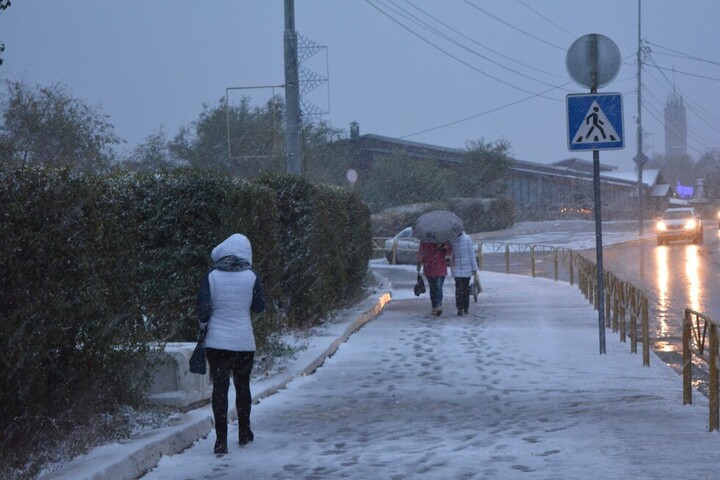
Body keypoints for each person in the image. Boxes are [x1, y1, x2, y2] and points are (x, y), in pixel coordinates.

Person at [197, 233, 265, 454]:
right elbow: (259, 306)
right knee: (242, 387)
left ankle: (221, 441)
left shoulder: (211, 276)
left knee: (219, 389)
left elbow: (204, 310)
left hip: (217, 343)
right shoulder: (252, 276)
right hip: (244, 341)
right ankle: (244, 432)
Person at [417, 241, 452, 316]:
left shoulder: (443, 239)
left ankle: (438, 306)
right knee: (433, 288)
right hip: (429, 268)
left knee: (438, 287)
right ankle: (434, 306)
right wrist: (420, 261)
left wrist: (442, 246)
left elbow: (449, 251)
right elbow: (421, 252)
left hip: (440, 268)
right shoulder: (425, 239)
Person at [450, 231, 479, 316]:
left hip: (467, 269)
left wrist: (474, 268)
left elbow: (471, 254)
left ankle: (466, 307)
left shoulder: (467, 239)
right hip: (456, 269)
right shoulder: (452, 240)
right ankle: (459, 308)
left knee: (466, 289)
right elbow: (450, 253)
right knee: (459, 289)